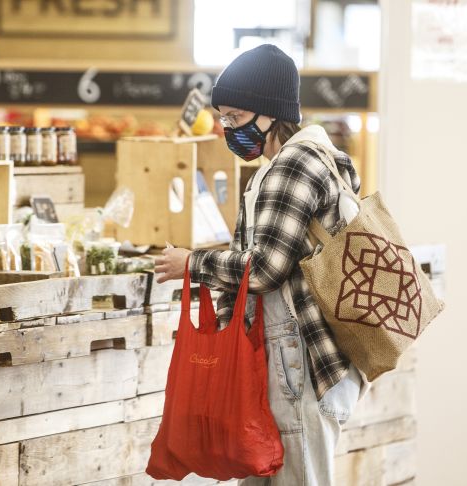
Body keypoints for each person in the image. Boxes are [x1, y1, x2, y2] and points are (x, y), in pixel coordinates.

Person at [155, 44, 368, 486]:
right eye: (224, 118)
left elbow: (266, 269)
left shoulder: (294, 164)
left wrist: (193, 262)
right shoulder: (306, 162)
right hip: (293, 358)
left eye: (235, 117)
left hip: (298, 359)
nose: (229, 129)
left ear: (270, 113)